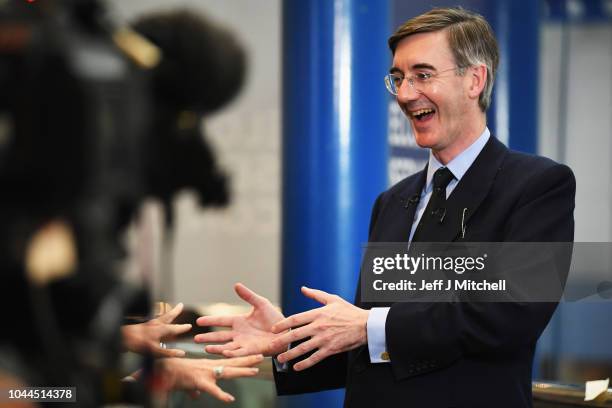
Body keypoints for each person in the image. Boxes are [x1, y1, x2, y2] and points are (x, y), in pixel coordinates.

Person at [195, 7, 576, 407]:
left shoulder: (537, 186)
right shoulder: (392, 202)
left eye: (423, 75)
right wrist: (288, 341)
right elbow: (377, 348)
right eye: (399, 78)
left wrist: (368, 325)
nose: (406, 94)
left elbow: (510, 317)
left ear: (474, 80)